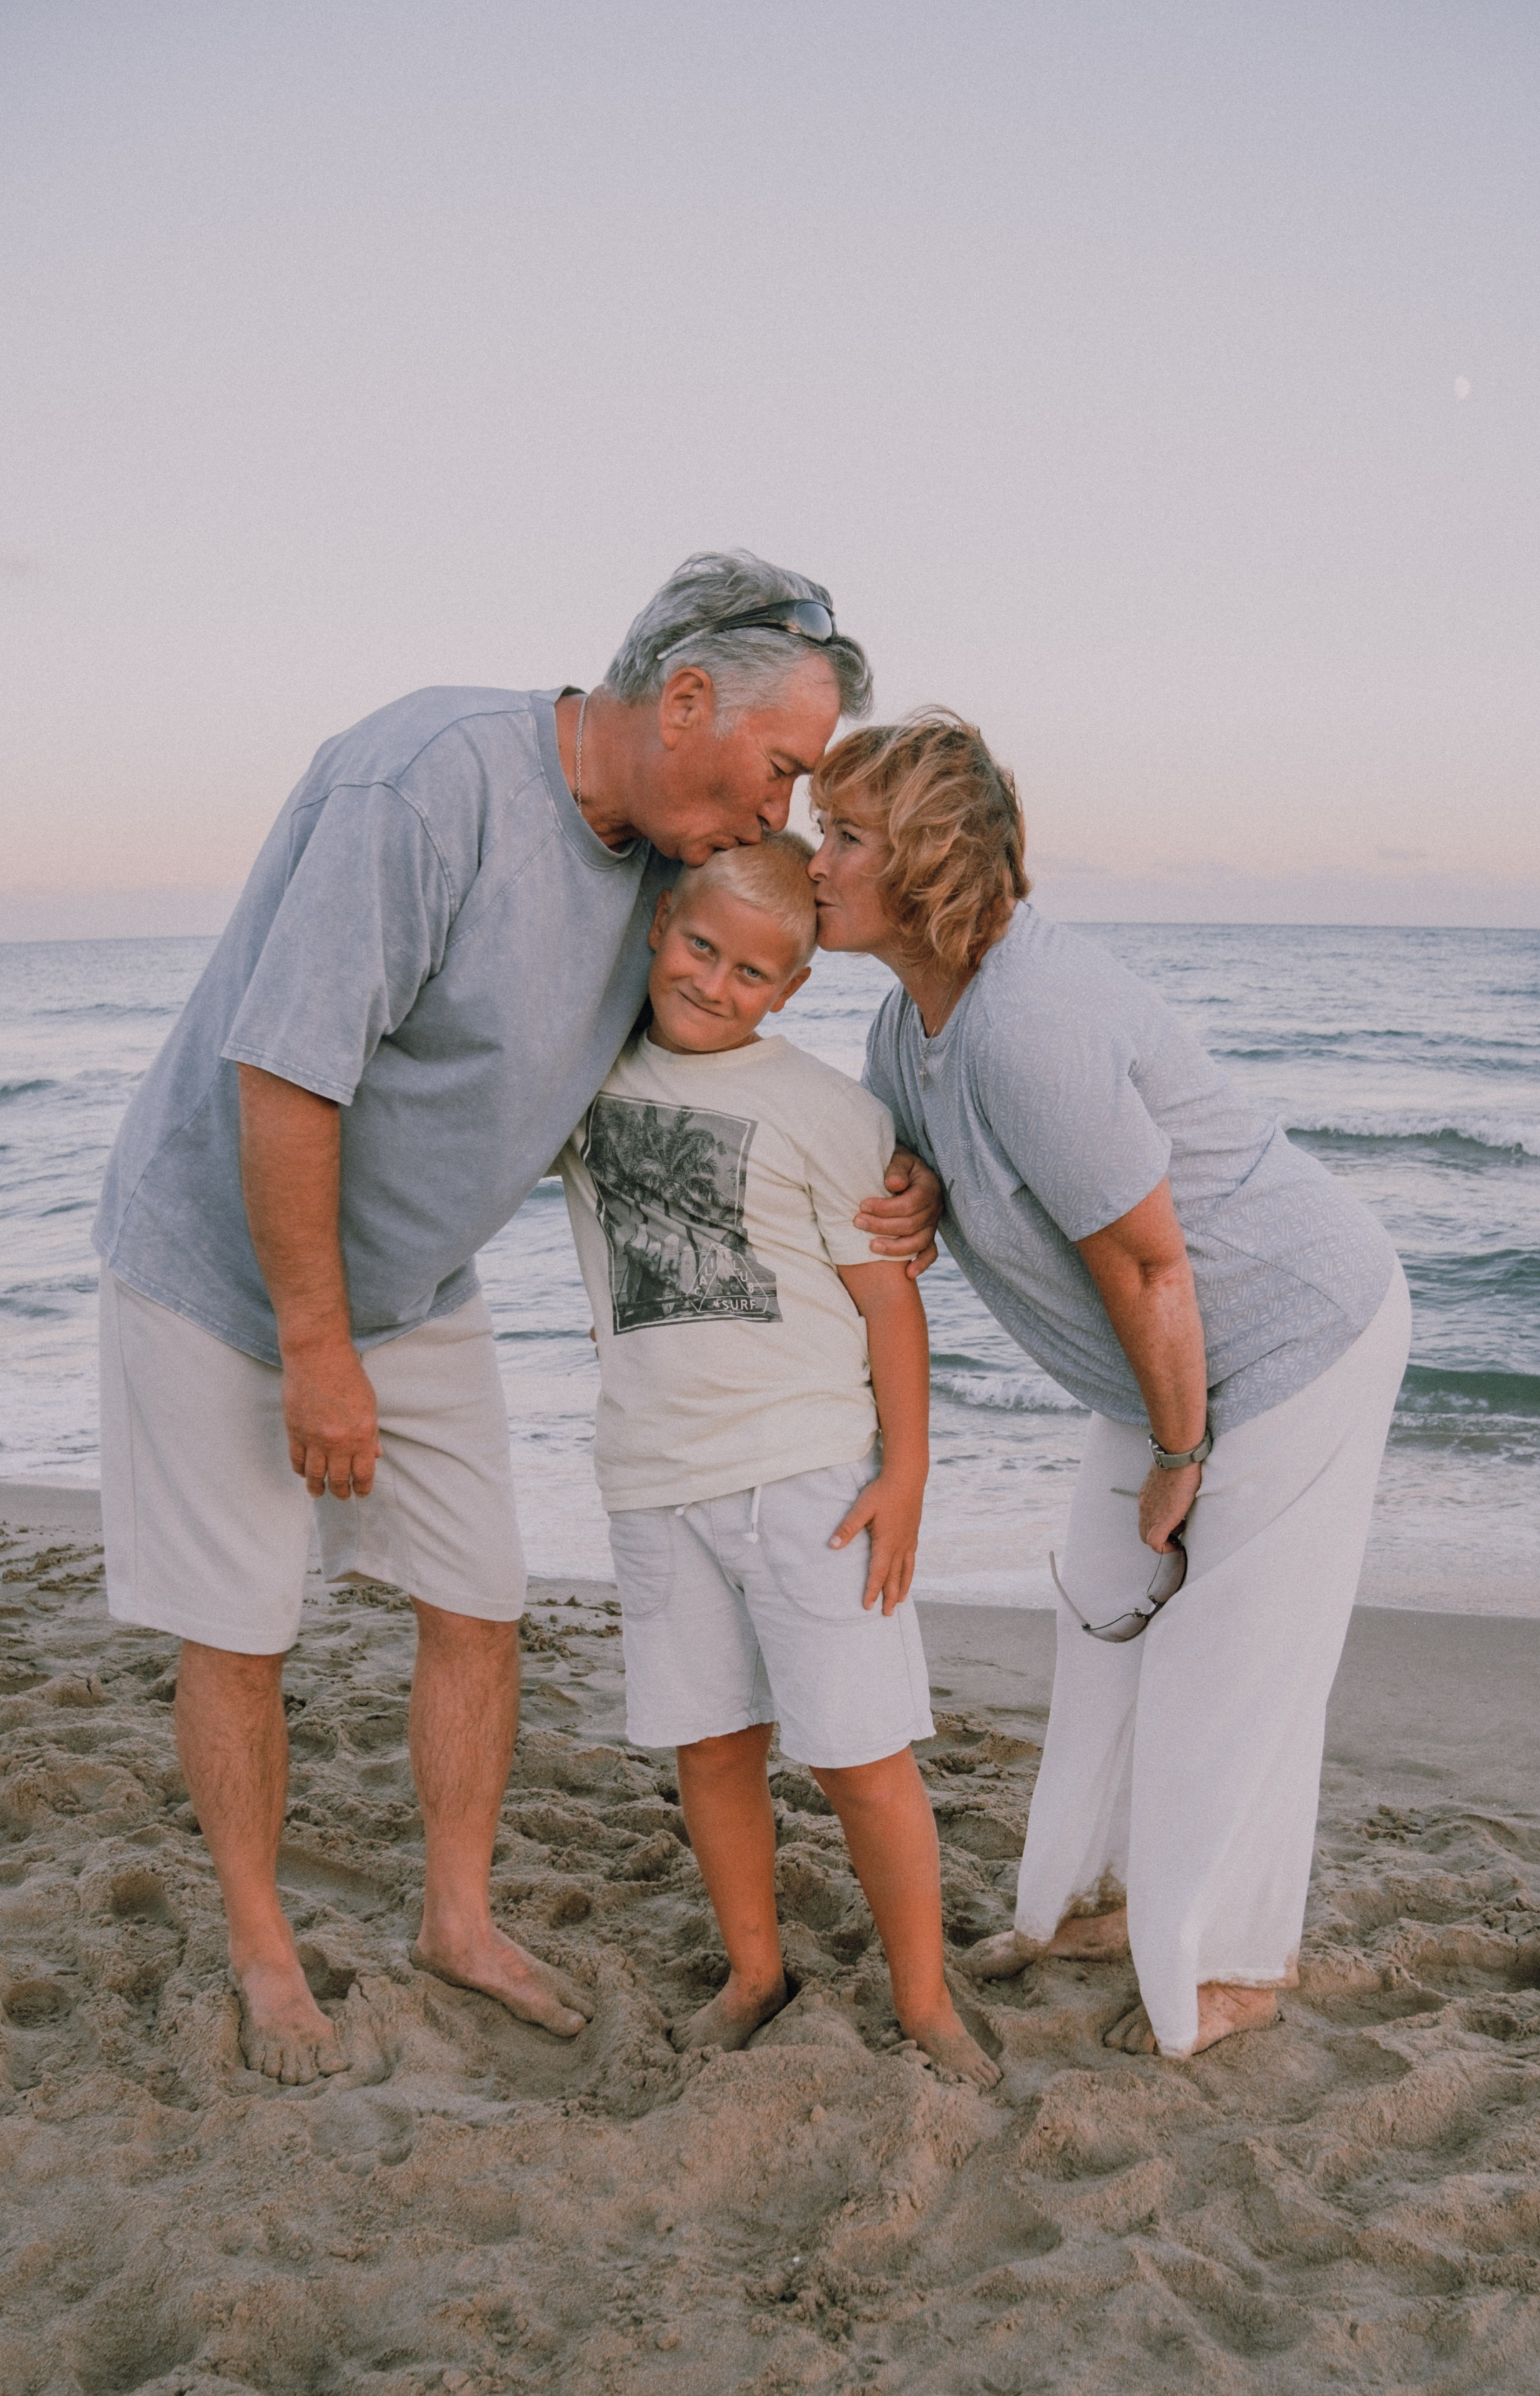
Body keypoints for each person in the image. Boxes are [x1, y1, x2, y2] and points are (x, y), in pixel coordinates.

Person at [91, 552, 942, 2086]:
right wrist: (313, 1345)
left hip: (415, 1285)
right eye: (780, 771)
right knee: (243, 1624)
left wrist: (901, 1189)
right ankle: (264, 1951)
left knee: (481, 1600)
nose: (783, 817)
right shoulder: (422, 786)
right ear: (684, 700)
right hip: (228, 1269)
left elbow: (713, 1055)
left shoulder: (665, 869)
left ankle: (459, 1920)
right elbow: (281, 1072)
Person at [807, 711, 1411, 2062]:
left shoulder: (1031, 1023)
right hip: (1167, 1370)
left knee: (1229, 1661)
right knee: (1105, 1618)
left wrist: (1180, 1451)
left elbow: (1148, 1268)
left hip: (1286, 1334)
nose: (815, 864)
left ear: (927, 863)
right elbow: (943, 1154)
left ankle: (1232, 1964)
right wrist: (915, 1184)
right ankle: (1088, 1904)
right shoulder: (906, 1027)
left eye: (842, 837)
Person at [558, 834, 998, 2085]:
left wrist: (904, 1470)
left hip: (808, 1478)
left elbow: (888, 1306)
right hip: (650, 1477)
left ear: (791, 990)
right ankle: (756, 1972)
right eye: (700, 948)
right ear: (657, 930)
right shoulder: (580, 1085)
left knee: (859, 1753)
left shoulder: (823, 1111)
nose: (716, 983)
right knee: (710, 1746)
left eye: (754, 972)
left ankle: (923, 2001)